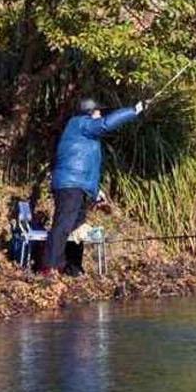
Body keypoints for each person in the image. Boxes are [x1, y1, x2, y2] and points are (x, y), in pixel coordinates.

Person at [41, 97, 147, 276]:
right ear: (90, 112)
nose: (100, 115)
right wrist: (133, 111)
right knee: (63, 226)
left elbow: (86, 165)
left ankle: (72, 268)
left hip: (78, 186)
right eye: (99, 112)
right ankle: (49, 268)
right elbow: (106, 124)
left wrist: (96, 190)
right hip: (70, 185)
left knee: (77, 227)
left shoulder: (85, 133)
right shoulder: (81, 123)